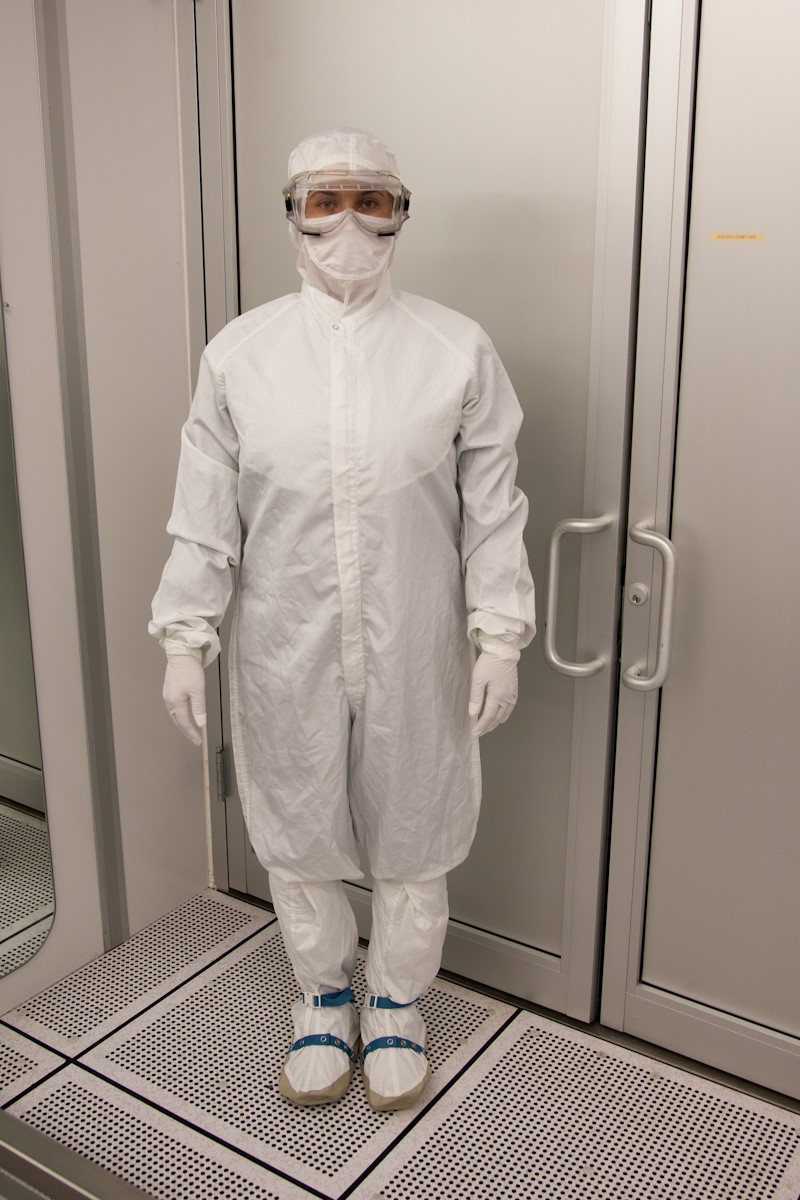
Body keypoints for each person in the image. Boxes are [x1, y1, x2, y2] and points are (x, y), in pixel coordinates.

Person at [150, 127, 535, 1111]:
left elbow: (493, 509)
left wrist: (499, 630)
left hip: (416, 649)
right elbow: (205, 517)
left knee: (416, 830)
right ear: (291, 213)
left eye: (374, 199)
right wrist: (186, 638)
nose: (350, 223)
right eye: (325, 201)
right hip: (287, 646)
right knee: (294, 823)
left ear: (403, 212)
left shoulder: (455, 348)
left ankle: (398, 1005)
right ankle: (323, 995)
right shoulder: (239, 356)